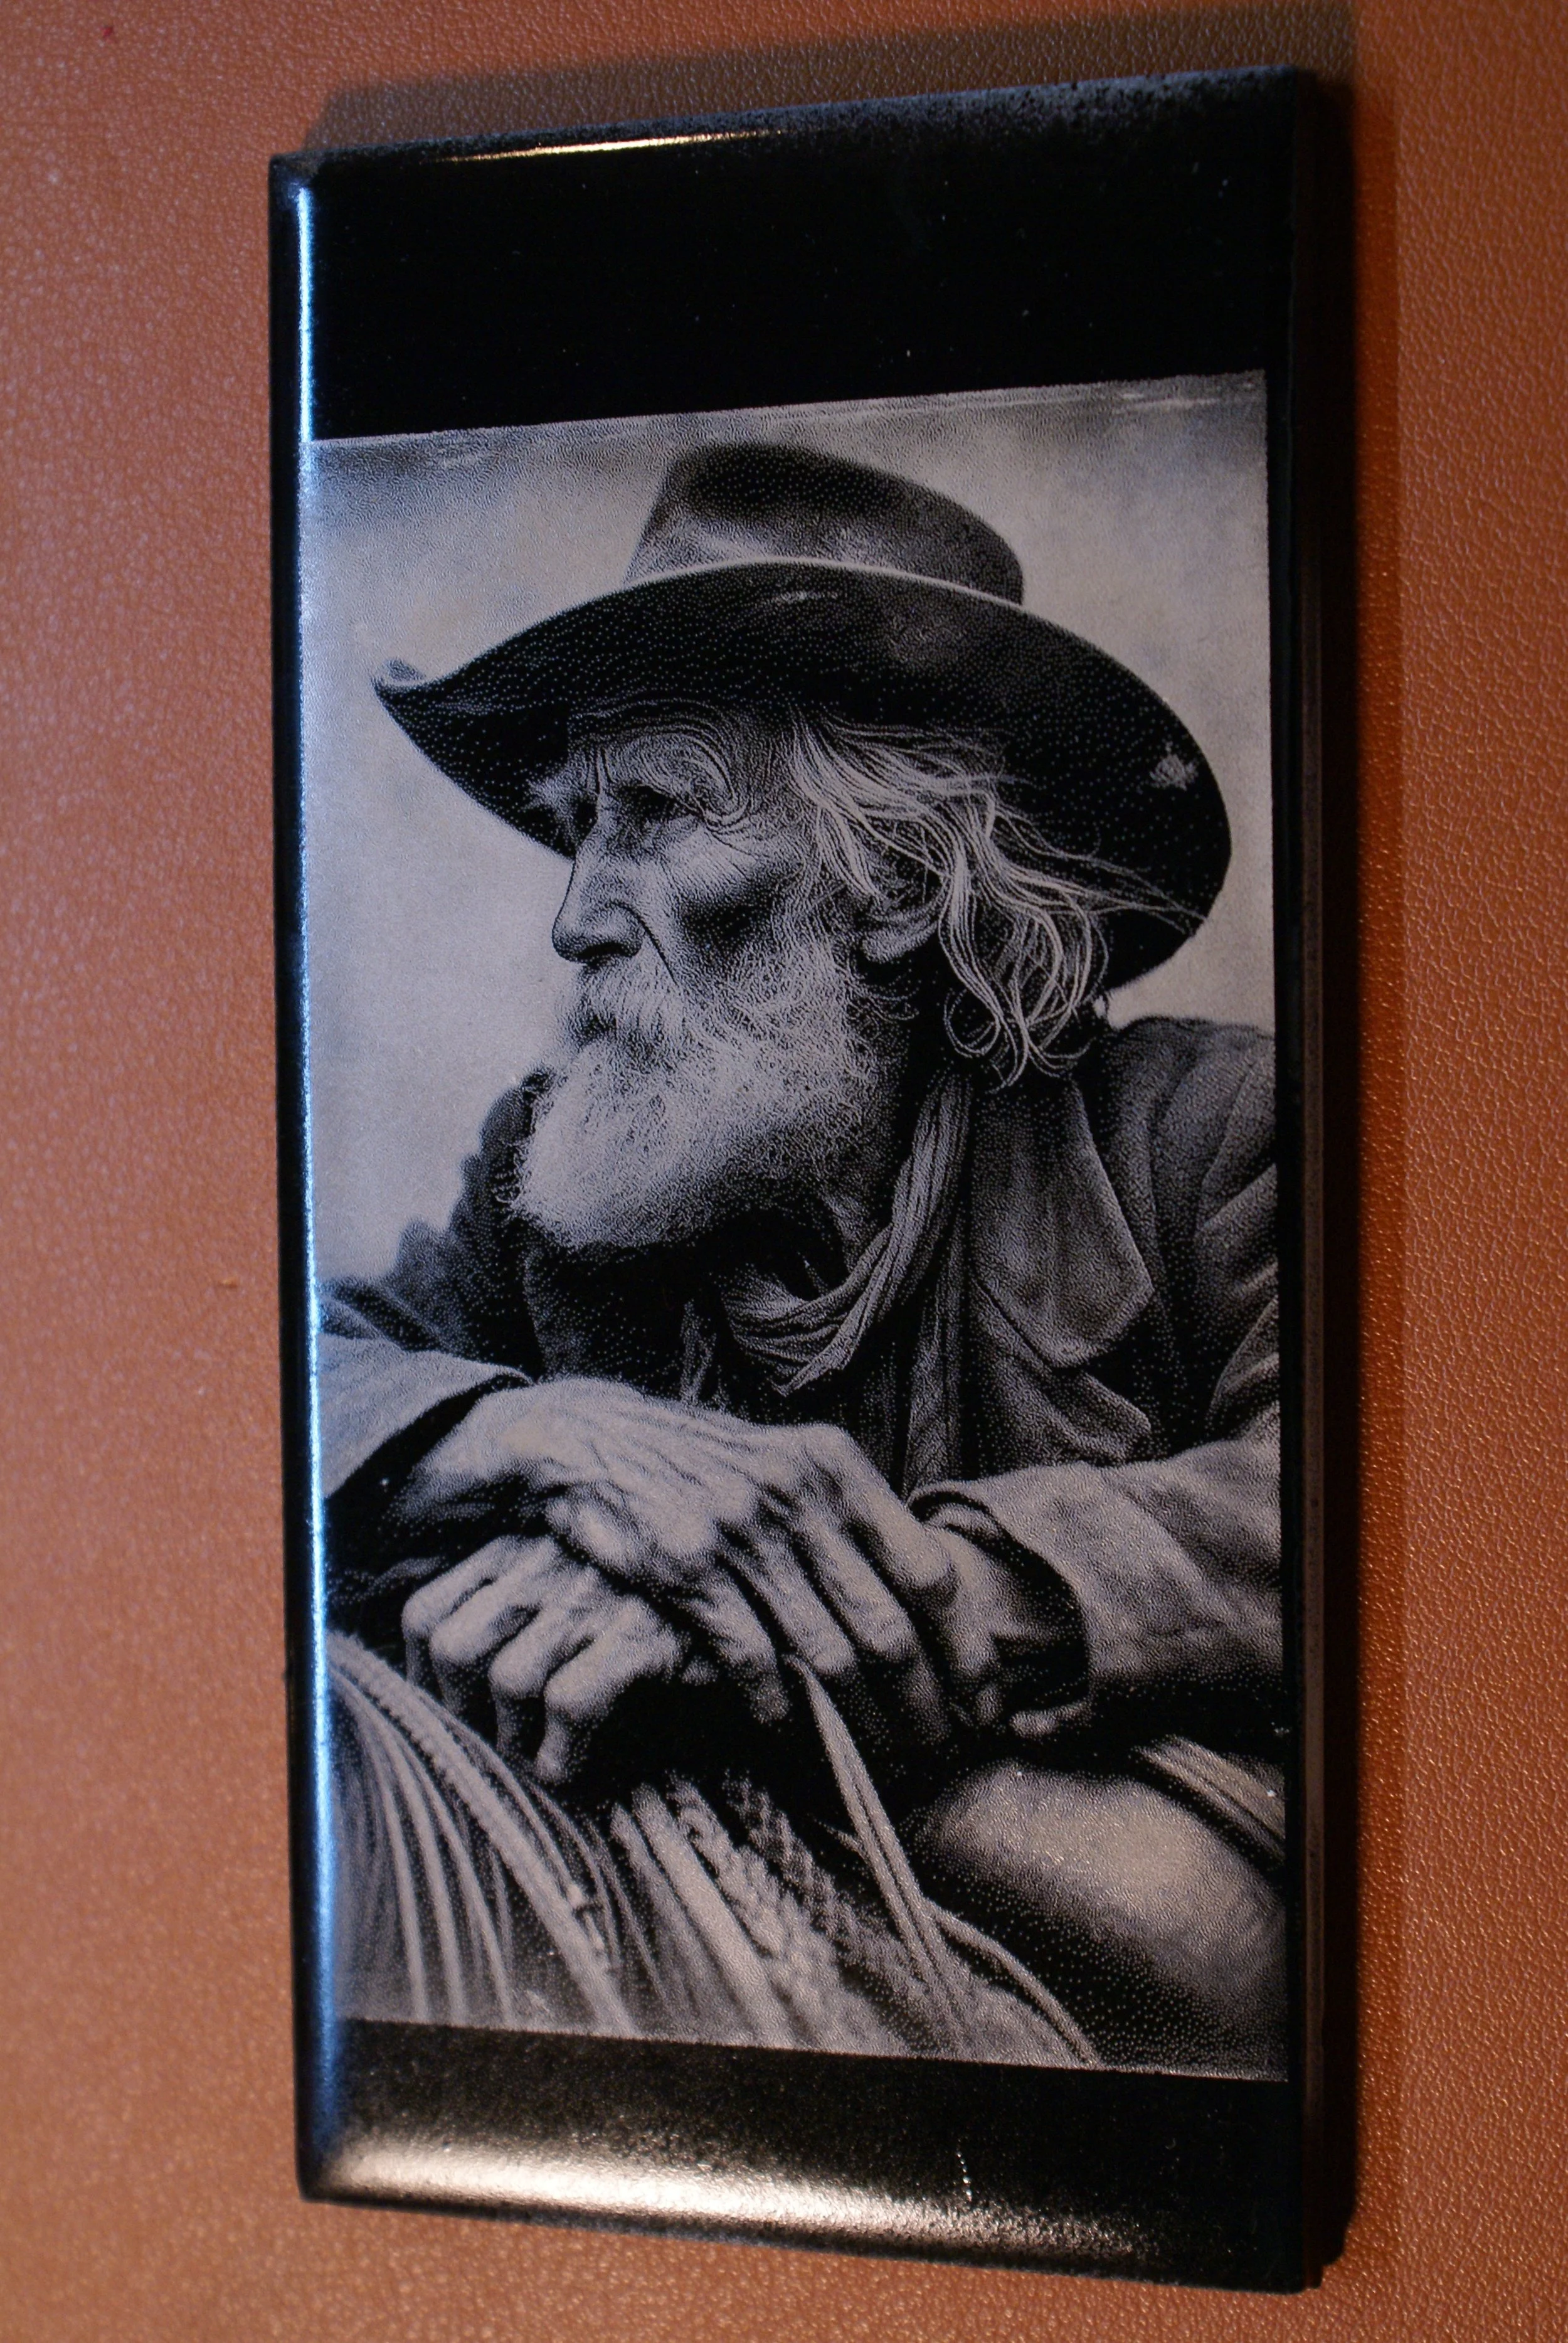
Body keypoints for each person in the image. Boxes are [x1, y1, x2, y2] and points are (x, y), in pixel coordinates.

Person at [321, 442, 1285, 2073]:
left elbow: (1384, 1503)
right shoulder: (550, 1180)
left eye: (655, 819)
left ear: (893, 889)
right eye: (579, 826)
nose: (576, 914)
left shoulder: (1202, 1135)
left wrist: (912, 1597)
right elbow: (293, 1381)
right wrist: (542, 1438)